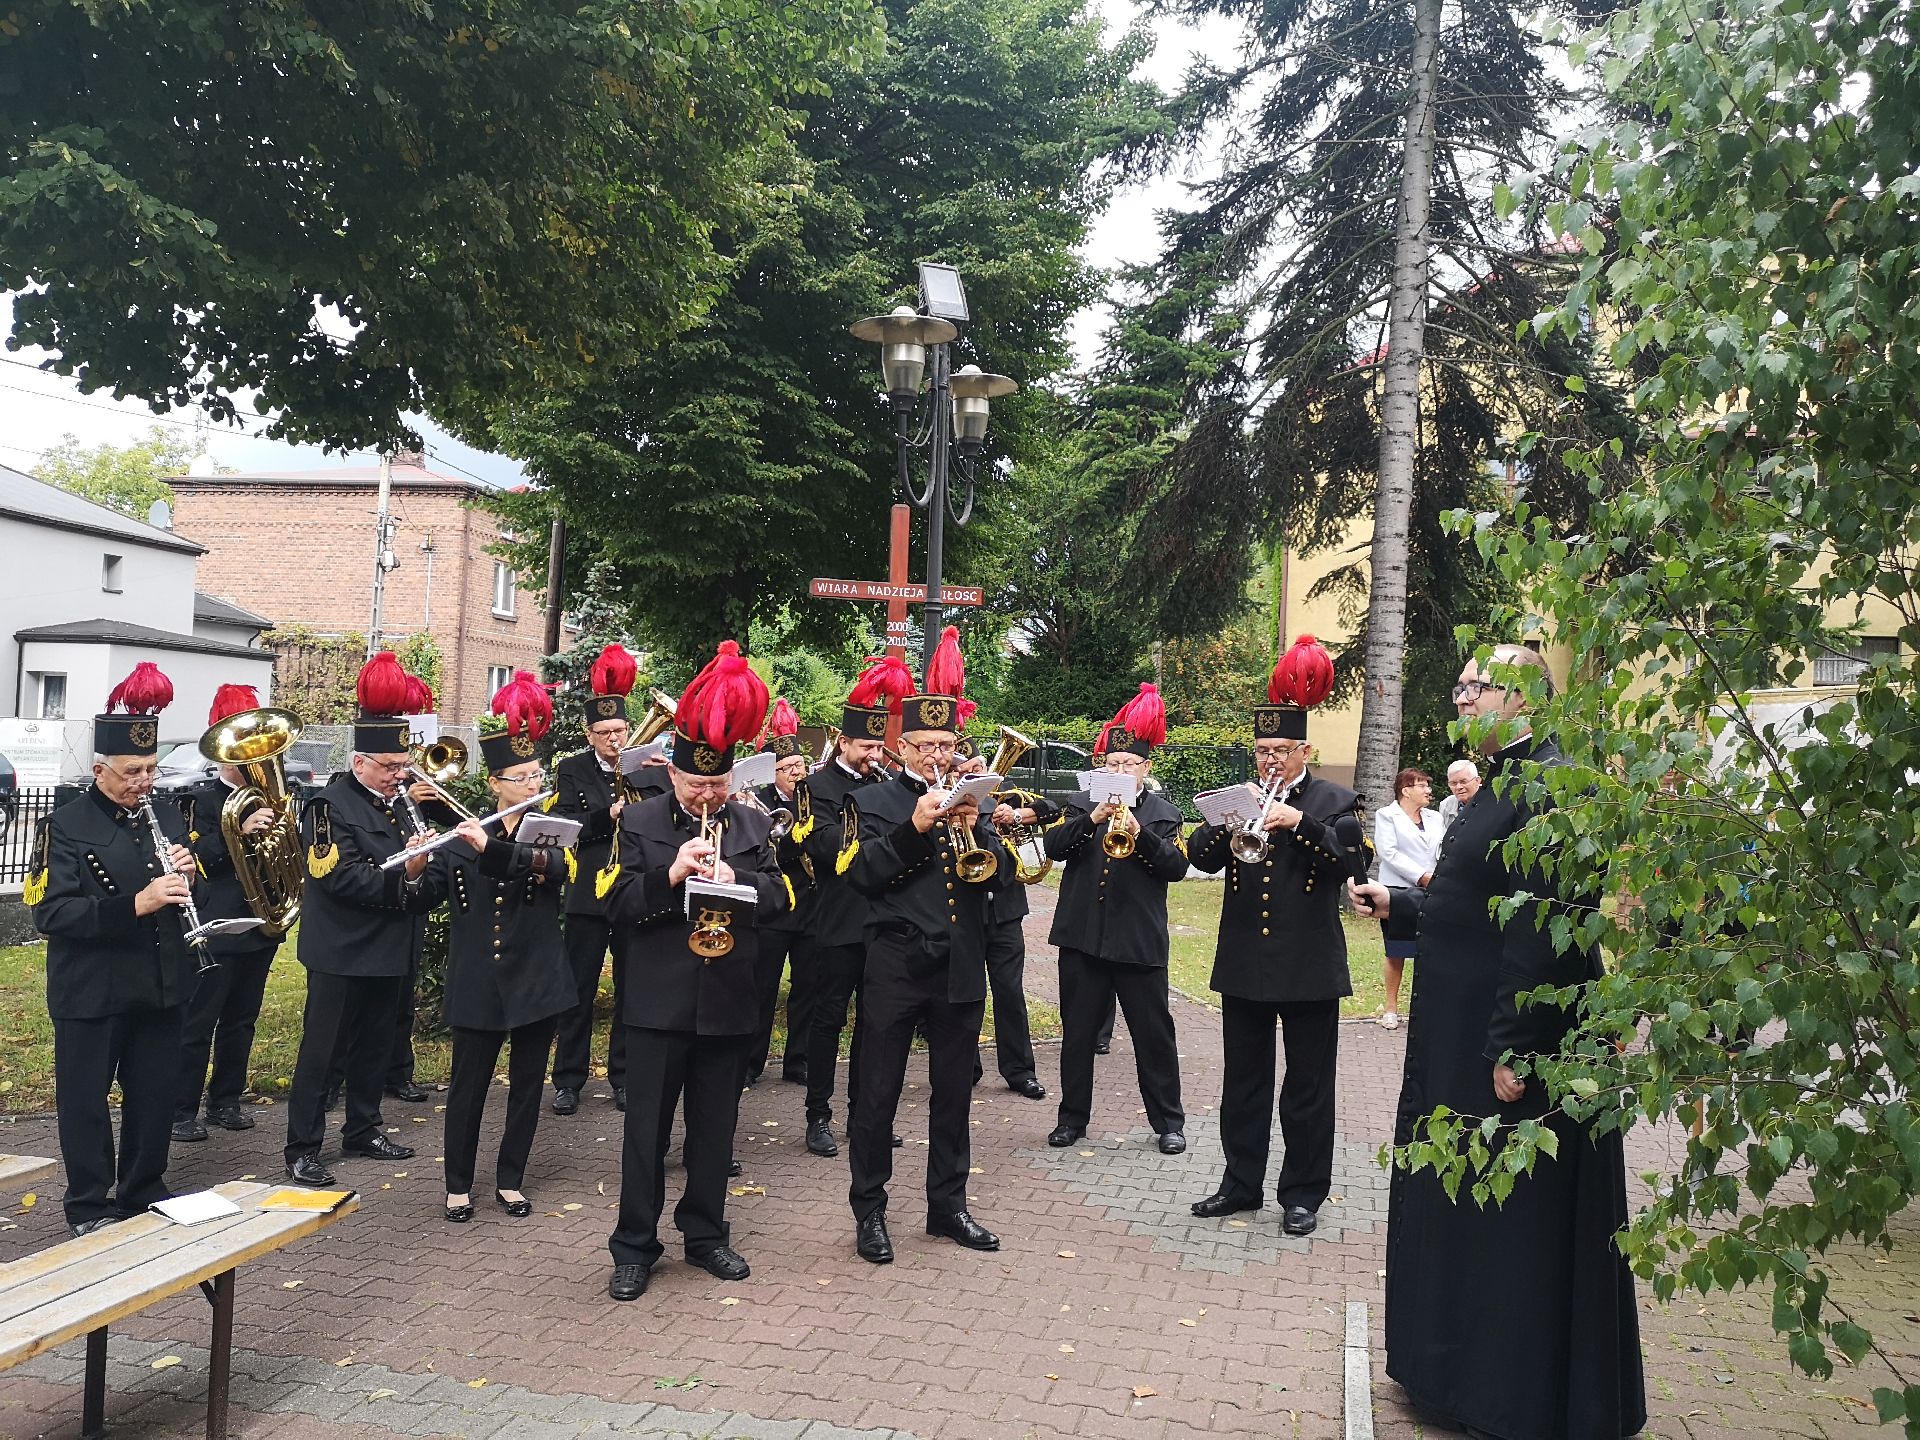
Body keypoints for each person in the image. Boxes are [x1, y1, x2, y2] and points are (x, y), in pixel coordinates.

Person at [1348, 643, 1645, 1440]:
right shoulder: (1501, 782)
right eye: (1460, 686)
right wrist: (1402, 907)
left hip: (1507, 1039)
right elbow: (1478, 903)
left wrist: (1516, 1043)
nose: (1462, 698)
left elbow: (1547, 925)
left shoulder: (1551, 783)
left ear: (1524, 698)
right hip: (1462, 1027)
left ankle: (1506, 1396)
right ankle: (1452, 1375)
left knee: (1511, 1216)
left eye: (1475, 687)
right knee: (1469, 1200)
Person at [603, 642, 790, 1301]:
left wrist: (741, 881)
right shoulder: (640, 820)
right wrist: (671, 874)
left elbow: (782, 899)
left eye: (719, 785)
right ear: (674, 774)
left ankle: (706, 1235)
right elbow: (615, 903)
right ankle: (634, 1246)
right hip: (659, 1002)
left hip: (729, 1000)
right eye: (696, 785)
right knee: (645, 1134)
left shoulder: (752, 824)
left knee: (715, 1132)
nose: (708, 796)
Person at [842, 626, 1014, 1264]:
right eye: (927, 745)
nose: (938, 755)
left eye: (948, 745)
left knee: (954, 1093)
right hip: (895, 961)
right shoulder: (871, 799)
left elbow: (996, 876)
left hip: (960, 961)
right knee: (877, 1091)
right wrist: (914, 829)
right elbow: (861, 875)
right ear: (903, 746)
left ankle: (948, 1206)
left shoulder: (973, 799)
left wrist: (980, 831)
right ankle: (870, 1210)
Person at [1187, 635, 1364, 1237]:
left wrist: (1301, 822)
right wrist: (1227, 820)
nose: (1270, 761)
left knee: (1307, 1087)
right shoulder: (1243, 796)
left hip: (1309, 966)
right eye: (1262, 751)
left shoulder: (1335, 800)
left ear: (1303, 750)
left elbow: (1350, 862)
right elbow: (1200, 857)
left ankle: (1303, 1193)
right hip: (1245, 963)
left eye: (1280, 751)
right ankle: (1240, 1184)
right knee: (1243, 1084)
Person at [28, 663, 198, 1236]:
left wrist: (187, 878)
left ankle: (143, 1189)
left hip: (159, 980)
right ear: (99, 770)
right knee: (86, 1100)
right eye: (131, 772)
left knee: (154, 1095)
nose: (144, 782)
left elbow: (181, 895)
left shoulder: (166, 813)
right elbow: (51, 913)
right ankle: (89, 1204)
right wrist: (137, 904)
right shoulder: (64, 825)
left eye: (151, 769)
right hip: (93, 987)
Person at [282, 652, 438, 1186]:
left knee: (376, 1045)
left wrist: (421, 872)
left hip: (391, 945)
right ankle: (303, 1146)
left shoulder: (400, 803)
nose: (400, 775)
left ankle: (364, 1128)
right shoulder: (328, 807)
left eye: (402, 766)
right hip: (343, 950)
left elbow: (424, 874)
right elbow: (339, 878)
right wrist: (407, 875)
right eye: (390, 767)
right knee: (323, 1053)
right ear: (360, 763)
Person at [432, 674, 578, 1223]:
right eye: (523, 777)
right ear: (496, 782)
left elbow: (550, 869)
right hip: (478, 978)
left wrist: (488, 847)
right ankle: (457, 1184)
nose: (534, 782)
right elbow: (425, 895)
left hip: (536, 975)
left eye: (537, 773)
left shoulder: (553, 828)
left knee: (526, 1086)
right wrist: (419, 862)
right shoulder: (462, 834)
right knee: (467, 1087)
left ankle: (511, 1179)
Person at [1044, 683, 1187, 1152]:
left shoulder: (1164, 813)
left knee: (1153, 1035)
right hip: (1082, 936)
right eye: (1113, 763)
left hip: (1137, 940)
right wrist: (1092, 819)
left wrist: (1139, 833)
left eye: (1129, 764)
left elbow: (1175, 866)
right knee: (1077, 1034)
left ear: (1146, 767)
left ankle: (1168, 1123)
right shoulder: (1082, 803)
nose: (1120, 770)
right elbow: (1054, 847)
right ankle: (1072, 1119)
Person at [796, 658, 908, 1158]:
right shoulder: (815, 787)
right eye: (865, 747)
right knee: (828, 1019)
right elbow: (821, 845)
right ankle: (817, 1114)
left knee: (875, 1022)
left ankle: (864, 1113)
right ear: (842, 742)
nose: (873, 756)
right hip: (838, 918)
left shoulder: (885, 786)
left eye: (878, 748)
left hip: (881, 920)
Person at [171, 684, 285, 1143]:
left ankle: (226, 1100)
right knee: (199, 1021)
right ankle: (181, 1108)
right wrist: (237, 829)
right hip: (217, 925)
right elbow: (198, 862)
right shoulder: (198, 801)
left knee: (241, 1019)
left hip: (259, 924)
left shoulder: (272, 798)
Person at [551, 644, 641, 1116]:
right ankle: (568, 1079)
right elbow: (566, 824)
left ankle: (623, 1077)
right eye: (604, 733)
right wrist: (607, 816)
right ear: (589, 734)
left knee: (631, 987)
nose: (613, 739)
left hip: (630, 888)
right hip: (587, 891)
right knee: (578, 989)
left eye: (619, 731)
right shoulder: (572, 769)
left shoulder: (644, 767)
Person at [954, 736, 1047, 1100]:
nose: (972, 777)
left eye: (977, 769)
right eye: (963, 773)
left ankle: (1020, 1071)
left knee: (1010, 992)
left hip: (1006, 913)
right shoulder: (948, 808)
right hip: (966, 915)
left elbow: (1052, 809)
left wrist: (1016, 817)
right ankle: (966, 1067)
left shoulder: (1004, 801)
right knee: (967, 994)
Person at [747, 701, 816, 1085]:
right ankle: (751, 1062)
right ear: (773, 773)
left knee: (807, 987)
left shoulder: (813, 798)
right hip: (775, 907)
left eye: (800, 766)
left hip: (810, 905)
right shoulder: (761, 802)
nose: (796, 773)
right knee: (762, 986)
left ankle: (798, 1061)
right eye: (787, 768)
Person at [1372, 767, 1438, 1030]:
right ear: (1406, 790)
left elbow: (1443, 848)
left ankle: (1426, 1009)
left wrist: (1438, 877)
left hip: (1433, 890)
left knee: (1430, 950)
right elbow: (1388, 852)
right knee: (1396, 950)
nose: (1428, 790)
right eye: (1422, 785)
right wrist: (1421, 876)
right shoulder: (1387, 815)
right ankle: (1391, 1008)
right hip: (1397, 892)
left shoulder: (1435, 817)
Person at [1436, 758, 1480, 843]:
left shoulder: (1492, 800)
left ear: (1477, 781)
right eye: (1453, 783)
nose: (1458, 787)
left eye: (1463, 782)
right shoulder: (1446, 805)